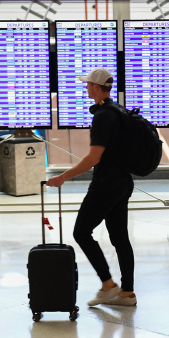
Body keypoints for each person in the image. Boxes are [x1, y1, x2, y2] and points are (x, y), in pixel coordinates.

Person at [46, 68, 137, 307]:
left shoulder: (103, 116)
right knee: (120, 238)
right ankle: (127, 293)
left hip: (106, 184)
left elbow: (94, 157)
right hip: (123, 182)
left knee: (81, 232)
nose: (85, 88)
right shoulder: (118, 110)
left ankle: (108, 285)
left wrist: (63, 177)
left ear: (97, 87)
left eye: (87, 85)